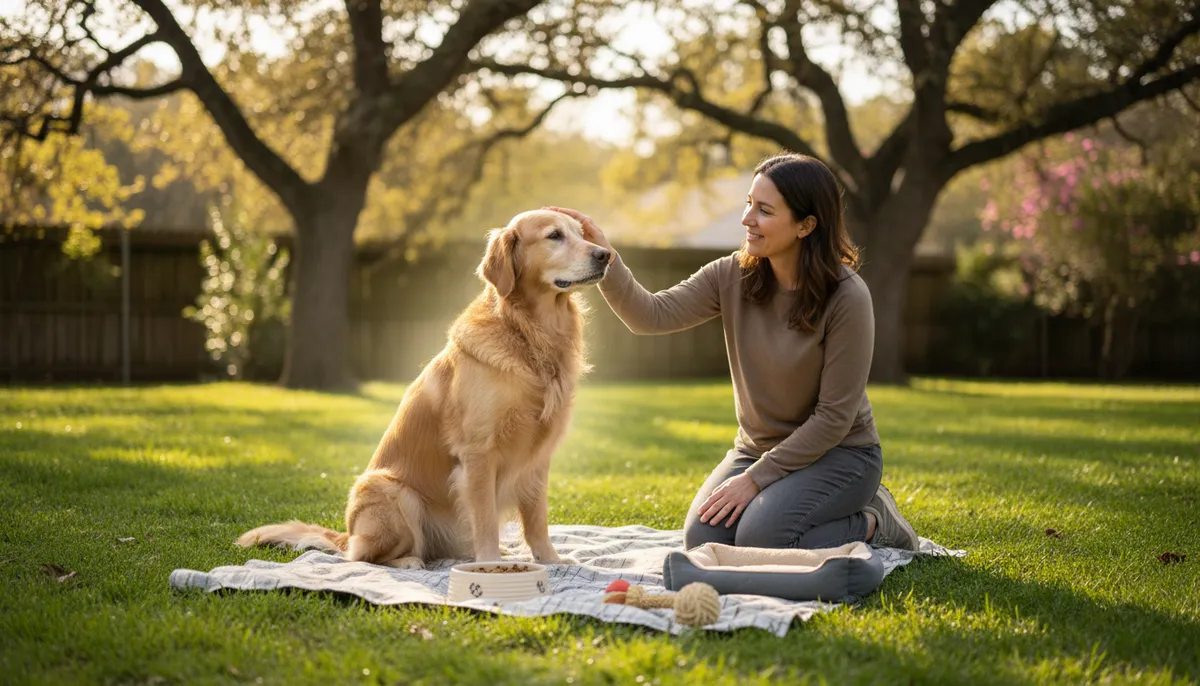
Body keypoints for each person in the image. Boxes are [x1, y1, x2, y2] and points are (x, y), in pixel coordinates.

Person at [547, 153, 920, 552]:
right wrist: (604, 253)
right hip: (756, 449)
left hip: (841, 455)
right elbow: (649, 315)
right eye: (748, 203)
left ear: (806, 225)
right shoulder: (731, 275)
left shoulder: (847, 296)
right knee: (705, 541)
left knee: (764, 536)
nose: (747, 218)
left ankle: (874, 521)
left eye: (764, 210)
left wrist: (755, 480)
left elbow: (834, 419)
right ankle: (804, 512)